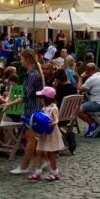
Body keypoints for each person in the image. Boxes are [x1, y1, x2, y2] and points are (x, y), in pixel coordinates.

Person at [9, 48, 43, 176]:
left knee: (30, 139)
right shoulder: (35, 73)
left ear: (28, 60)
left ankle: (24, 166)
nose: (20, 61)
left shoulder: (31, 75)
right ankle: (43, 161)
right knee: (35, 139)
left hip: (31, 111)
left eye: (22, 59)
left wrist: (10, 103)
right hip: (35, 109)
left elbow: (25, 96)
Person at [28, 86, 66, 182]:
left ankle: (54, 173)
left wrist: (55, 122)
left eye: (41, 98)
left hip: (51, 133)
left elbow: (56, 118)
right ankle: (37, 172)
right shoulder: (44, 108)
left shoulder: (53, 108)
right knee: (38, 151)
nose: (40, 100)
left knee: (50, 153)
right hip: (43, 134)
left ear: (46, 98)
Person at [78, 62, 100, 134]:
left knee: (77, 109)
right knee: (85, 106)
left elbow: (80, 89)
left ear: (87, 70)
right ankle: (95, 124)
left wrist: (80, 77)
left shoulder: (92, 79)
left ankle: (92, 124)